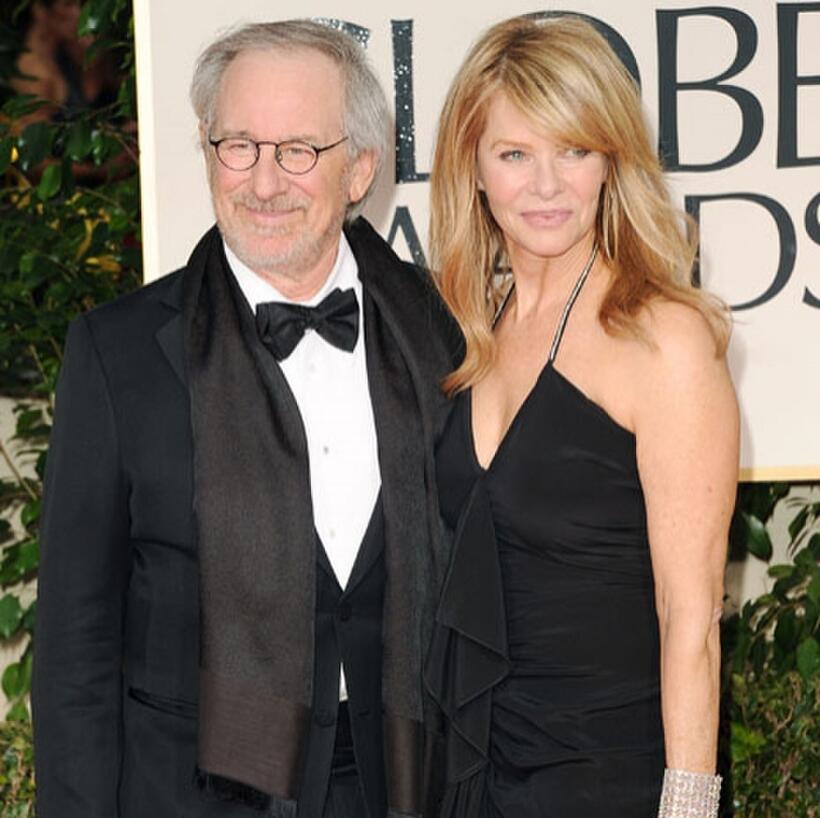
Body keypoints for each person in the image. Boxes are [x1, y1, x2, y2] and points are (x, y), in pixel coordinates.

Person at [33, 20, 458, 818]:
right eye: (239, 146)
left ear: (360, 168)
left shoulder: (442, 330)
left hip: (399, 788)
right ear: (206, 150)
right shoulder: (116, 355)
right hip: (191, 796)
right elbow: (74, 654)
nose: (263, 183)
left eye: (298, 149)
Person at [424, 15, 738, 818]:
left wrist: (689, 807)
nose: (547, 185)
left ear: (612, 160)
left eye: (575, 149)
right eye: (515, 153)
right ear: (475, 167)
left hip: (610, 779)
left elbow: (691, 616)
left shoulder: (660, 336)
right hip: (478, 773)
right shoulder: (476, 332)